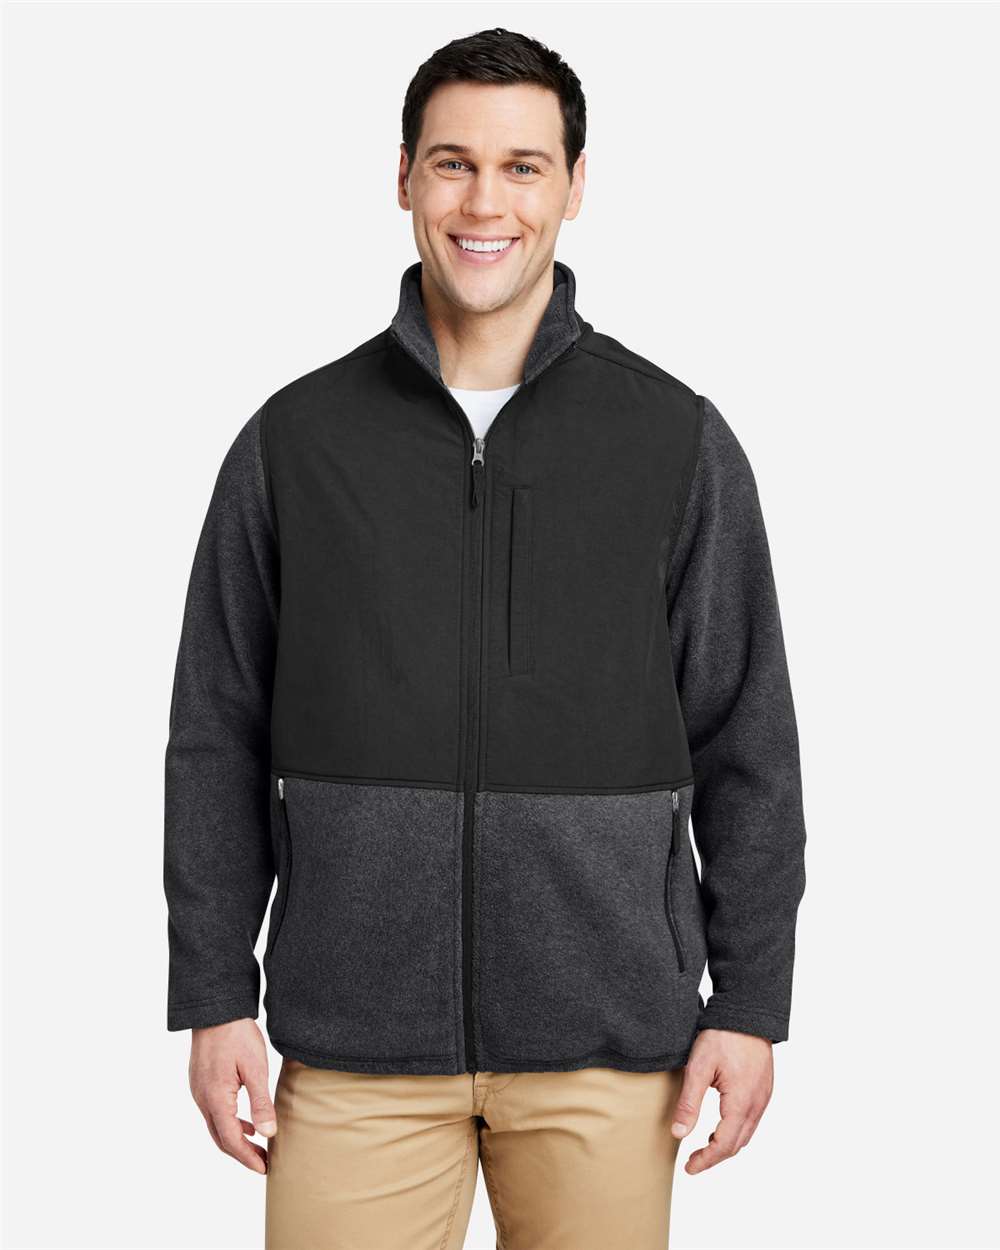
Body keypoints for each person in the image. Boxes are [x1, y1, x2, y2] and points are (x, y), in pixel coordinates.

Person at [163, 26, 807, 1250]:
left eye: (523, 166)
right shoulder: (297, 440)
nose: (483, 203)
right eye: (453, 163)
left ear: (575, 185)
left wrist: (750, 999)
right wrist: (211, 986)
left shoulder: (673, 439)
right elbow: (216, 729)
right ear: (403, 176)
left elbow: (747, 739)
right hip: (352, 1040)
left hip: (608, 1042)